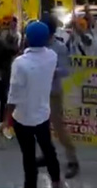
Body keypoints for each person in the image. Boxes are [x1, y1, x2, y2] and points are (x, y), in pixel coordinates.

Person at [5, 21, 62, 188]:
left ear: (27, 39)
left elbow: (13, 95)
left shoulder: (20, 63)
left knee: (28, 156)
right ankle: (56, 181)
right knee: (48, 149)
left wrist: (6, 120)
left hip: (23, 117)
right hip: (43, 113)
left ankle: (30, 184)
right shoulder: (52, 56)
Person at [40, 16, 79, 179]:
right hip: (38, 92)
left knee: (59, 128)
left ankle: (72, 160)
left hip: (53, 92)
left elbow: (66, 70)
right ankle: (47, 155)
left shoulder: (59, 47)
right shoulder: (37, 44)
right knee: (41, 128)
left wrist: (51, 70)